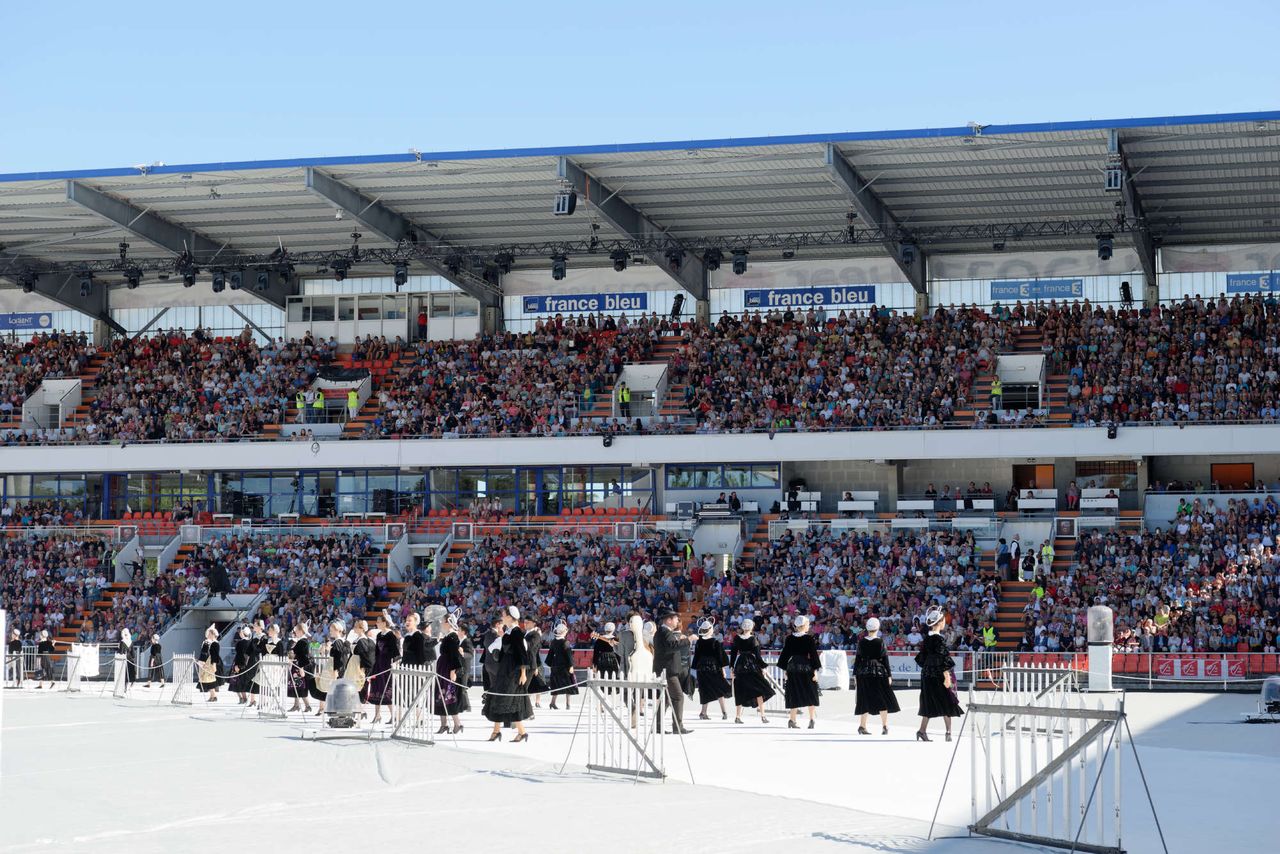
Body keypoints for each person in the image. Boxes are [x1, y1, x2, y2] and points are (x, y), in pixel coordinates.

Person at [916, 608, 964, 742]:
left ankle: (922, 730)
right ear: (940, 622)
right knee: (947, 700)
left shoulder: (927, 639)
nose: (945, 622)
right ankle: (948, 732)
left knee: (928, 701)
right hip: (938, 674)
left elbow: (921, 658)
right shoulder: (939, 639)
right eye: (943, 620)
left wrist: (929, 667)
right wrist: (947, 676)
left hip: (926, 673)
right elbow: (943, 658)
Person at [485, 605, 532, 742]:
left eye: (504, 615)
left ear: (510, 617)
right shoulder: (510, 632)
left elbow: (522, 654)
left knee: (507, 700)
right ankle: (502, 731)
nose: (502, 617)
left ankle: (500, 731)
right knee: (504, 699)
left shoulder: (517, 632)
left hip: (513, 672)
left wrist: (523, 673)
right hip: (506, 670)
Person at [854, 617, 899, 735]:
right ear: (877, 628)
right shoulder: (880, 642)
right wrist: (889, 675)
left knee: (864, 698)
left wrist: (855, 674)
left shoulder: (861, 641)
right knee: (882, 697)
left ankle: (862, 726)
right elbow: (885, 659)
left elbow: (858, 659)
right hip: (878, 671)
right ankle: (885, 726)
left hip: (863, 671)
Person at [777, 615, 821, 729]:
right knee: (811, 691)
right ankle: (812, 719)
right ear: (804, 625)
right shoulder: (809, 638)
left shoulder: (789, 638)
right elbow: (813, 655)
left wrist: (785, 669)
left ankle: (792, 720)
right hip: (806, 666)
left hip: (792, 667)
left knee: (794, 692)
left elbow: (785, 654)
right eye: (808, 624)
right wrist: (815, 671)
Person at [652, 610, 691, 734]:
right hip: (667, 671)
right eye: (675, 618)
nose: (677, 621)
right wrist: (688, 640)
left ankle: (658, 726)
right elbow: (672, 646)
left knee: (667, 699)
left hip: (666, 670)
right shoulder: (665, 632)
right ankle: (677, 726)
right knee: (678, 697)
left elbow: (671, 645)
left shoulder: (663, 632)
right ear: (668, 620)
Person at [730, 620, 774, 724]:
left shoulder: (737, 638)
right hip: (751, 665)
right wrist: (764, 667)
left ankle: (737, 716)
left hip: (740, 665)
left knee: (739, 691)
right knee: (759, 690)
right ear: (751, 628)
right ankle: (763, 716)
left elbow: (733, 654)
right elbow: (758, 657)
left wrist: (732, 667)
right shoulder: (753, 639)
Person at [692, 620, 731, 720]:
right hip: (713, 668)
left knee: (705, 690)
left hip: (701, 668)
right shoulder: (715, 642)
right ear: (710, 629)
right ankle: (724, 712)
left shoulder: (699, 642)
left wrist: (695, 668)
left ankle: (703, 712)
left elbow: (696, 657)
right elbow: (720, 657)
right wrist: (723, 669)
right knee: (720, 688)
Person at [434, 614, 466, 735]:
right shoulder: (448, 636)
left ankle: (457, 724)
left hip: (447, 668)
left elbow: (454, 655)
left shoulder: (452, 637)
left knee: (449, 696)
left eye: (443, 622)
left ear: (448, 622)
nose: (441, 624)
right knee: (441, 696)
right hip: (442, 667)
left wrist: (453, 671)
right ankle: (444, 724)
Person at [369, 613, 400, 725]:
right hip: (378, 665)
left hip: (387, 664)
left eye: (378, 621)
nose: (376, 623)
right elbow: (377, 652)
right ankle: (377, 715)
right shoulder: (379, 635)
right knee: (376, 689)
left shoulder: (391, 635)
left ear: (384, 622)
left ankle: (394, 716)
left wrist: (394, 663)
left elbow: (395, 652)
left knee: (386, 690)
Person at [546, 622, 578, 710]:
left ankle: (552, 703)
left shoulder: (553, 642)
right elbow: (569, 655)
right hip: (564, 666)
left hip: (555, 665)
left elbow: (550, 654)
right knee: (568, 684)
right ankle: (568, 704)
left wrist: (550, 664)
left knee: (555, 684)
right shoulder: (565, 642)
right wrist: (571, 666)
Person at [522, 616, 548, 709]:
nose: (525, 624)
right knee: (528, 686)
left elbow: (532, 650)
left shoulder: (535, 635)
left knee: (530, 686)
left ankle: (529, 707)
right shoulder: (526, 634)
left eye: (527, 622)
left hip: (532, 663)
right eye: (524, 622)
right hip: (527, 663)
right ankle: (527, 706)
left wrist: (535, 666)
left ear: (533, 623)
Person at [287, 623, 313, 714]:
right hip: (297, 665)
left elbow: (304, 656)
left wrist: (301, 667)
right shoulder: (300, 641)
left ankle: (307, 705)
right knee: (296, 686)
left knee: (300, 686)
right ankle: (296, 705)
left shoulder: (303, 642)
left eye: (296, 630)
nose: (295, 632)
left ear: (301, 631)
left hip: (299, 666)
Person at [230, 626, 256, 704]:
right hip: (249, 665)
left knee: (238, 682)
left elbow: (239, 655)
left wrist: (236, 665)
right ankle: (249, 699)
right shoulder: (251, 642)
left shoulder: (240, 643)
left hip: (240, 664)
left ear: (243, 633)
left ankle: (243, 698)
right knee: (247, 682)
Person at [198, 625, 222, 703]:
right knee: (209, 679)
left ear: (212, 634)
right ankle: (213, 695)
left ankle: (214, 695)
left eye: (209, 633)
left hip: (211, 662)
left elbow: (215, 655)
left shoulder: (214, 643)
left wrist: (214, 665)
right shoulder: (210, 642)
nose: (208, 634)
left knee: (211, 679)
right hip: (209, 662)